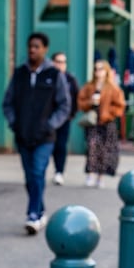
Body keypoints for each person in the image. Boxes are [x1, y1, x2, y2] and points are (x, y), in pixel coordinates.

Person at [2, 32, 71, 234]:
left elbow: (64, 105)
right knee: (29, 177)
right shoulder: (20, 73)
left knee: (38, 172)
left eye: (37, 47)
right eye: (30, 46)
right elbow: (8, 103)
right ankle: (40, 210)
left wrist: (50, 125)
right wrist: (14, 123)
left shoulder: (54, 75)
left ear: (45, 49)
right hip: (23, 135)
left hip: (45, 136)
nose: (32, 50)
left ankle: (32, 214)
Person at [76, 57, 127, 187]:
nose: (98, 72)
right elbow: (81, 102)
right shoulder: (89, 86)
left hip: (106, 122)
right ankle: (91, 174)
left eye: (100, 69)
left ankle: (101, 176)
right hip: (93, 121)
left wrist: (109, 113)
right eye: (96, 69)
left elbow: (120, 105)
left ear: (106, 71)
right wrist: (90, 102)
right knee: (92, 147)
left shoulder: (113, 88)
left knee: (105, 149)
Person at [50, 51, 81, 186]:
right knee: (47, 146)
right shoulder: (47, 78)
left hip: (64, 119)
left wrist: (71, 115)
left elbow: (76, 99)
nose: (60, 65)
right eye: (58, 61)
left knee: (61, 145)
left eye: (63, 62)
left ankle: (59, 172)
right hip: (48, 119)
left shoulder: (70, 79)